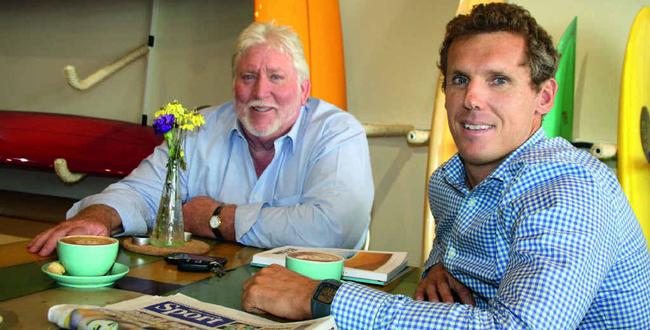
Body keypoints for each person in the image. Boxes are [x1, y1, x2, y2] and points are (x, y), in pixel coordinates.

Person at [241, 3, 650, 328]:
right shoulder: (449, 182)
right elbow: (453, 251)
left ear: (543, 98)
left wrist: (320, 297)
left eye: (499, 80)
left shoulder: (569, 190)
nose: (472, 98)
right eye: (459, 79)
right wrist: (440, 263)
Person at [28, 22, 374, 256]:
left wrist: (218, 219)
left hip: (312, 296)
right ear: (233, 83)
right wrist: (100, 217)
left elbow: (334, 229)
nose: (260, 91)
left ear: (303, 90)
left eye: (276, 77)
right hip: (209, 282)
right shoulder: (198, 128)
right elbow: (143, 191)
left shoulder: (338, 133)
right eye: (248, 76)